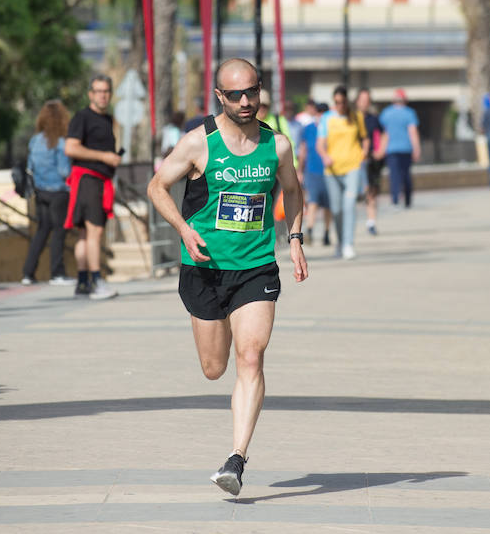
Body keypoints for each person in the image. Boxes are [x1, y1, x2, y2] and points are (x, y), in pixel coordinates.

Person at [147, 58, 307, 496]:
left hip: (256, 267)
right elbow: (157, 187)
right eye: (235, 94)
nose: (245, 101)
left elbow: (292, 191)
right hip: (205, 270)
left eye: (252, 92)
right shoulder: (199, 143)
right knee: (215, 368)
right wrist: (183, 229)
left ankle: (236, 459)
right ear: (219, 96)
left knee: (251, 357)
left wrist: (294, 237)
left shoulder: (277, 146)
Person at [63, 75, 120, 301]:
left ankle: (83, 282)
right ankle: (96, 280)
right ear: (90, 94)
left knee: (86, 233)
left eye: (106, 91)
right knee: (94, 231)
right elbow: (70, 147)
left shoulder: (107, 119)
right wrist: (104, 157)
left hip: (99, 181)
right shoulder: (82, 117)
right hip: (88, 179)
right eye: (98, 91)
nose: (102, 95)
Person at [21, 100, 75, 286]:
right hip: (59, 192)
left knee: (42, 231)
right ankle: (57, 273)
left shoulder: (35, 141)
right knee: (59, 232)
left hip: (40, 191)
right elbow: (64, 172)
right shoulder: (60, 142)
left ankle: (28, 273)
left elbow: (30, 167)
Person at [317, 85, 368, 259]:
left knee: (349, 203)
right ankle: (340, 242)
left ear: (347, 101)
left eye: (342, 102)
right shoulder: (326, 118)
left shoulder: (356, 117)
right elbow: (320, 143)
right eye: (336, 102)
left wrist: (363, 153)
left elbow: (364, 138)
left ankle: (348, 244)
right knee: (337, 209)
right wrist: (324, 156)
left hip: (352, 166)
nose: (339, 105)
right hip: (332, 170)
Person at [298, 102, 333, 246]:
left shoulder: (332, 128)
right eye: (319, 113)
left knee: (328, 205)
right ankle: (310, 230)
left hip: (330, 171)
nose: (321, 116)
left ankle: (326, 232)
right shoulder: (308, 129)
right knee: (312, 201)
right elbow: (303, 150)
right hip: (312, 170)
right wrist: (300, 170)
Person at [379, 88, 420, 208]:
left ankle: (395, 199)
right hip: (406, 149)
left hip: (391, 149)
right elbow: (413, 132)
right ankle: (407, 200)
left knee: (394, 175)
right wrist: (416, 149)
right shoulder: (409, 113)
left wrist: (381, 149)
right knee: (406, 174)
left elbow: (384, 133)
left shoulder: (386, 113)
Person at [356, 87, 386, 235]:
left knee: (372, 192)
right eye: (362, 100)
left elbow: (383, 134)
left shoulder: (374, 119)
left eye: (367, 101)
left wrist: (381, 150)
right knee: (358, 193)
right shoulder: (352, 119)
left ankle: (371, 221)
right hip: (354, 162)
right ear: (357, 102)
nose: (364, 103)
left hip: (372, 160)